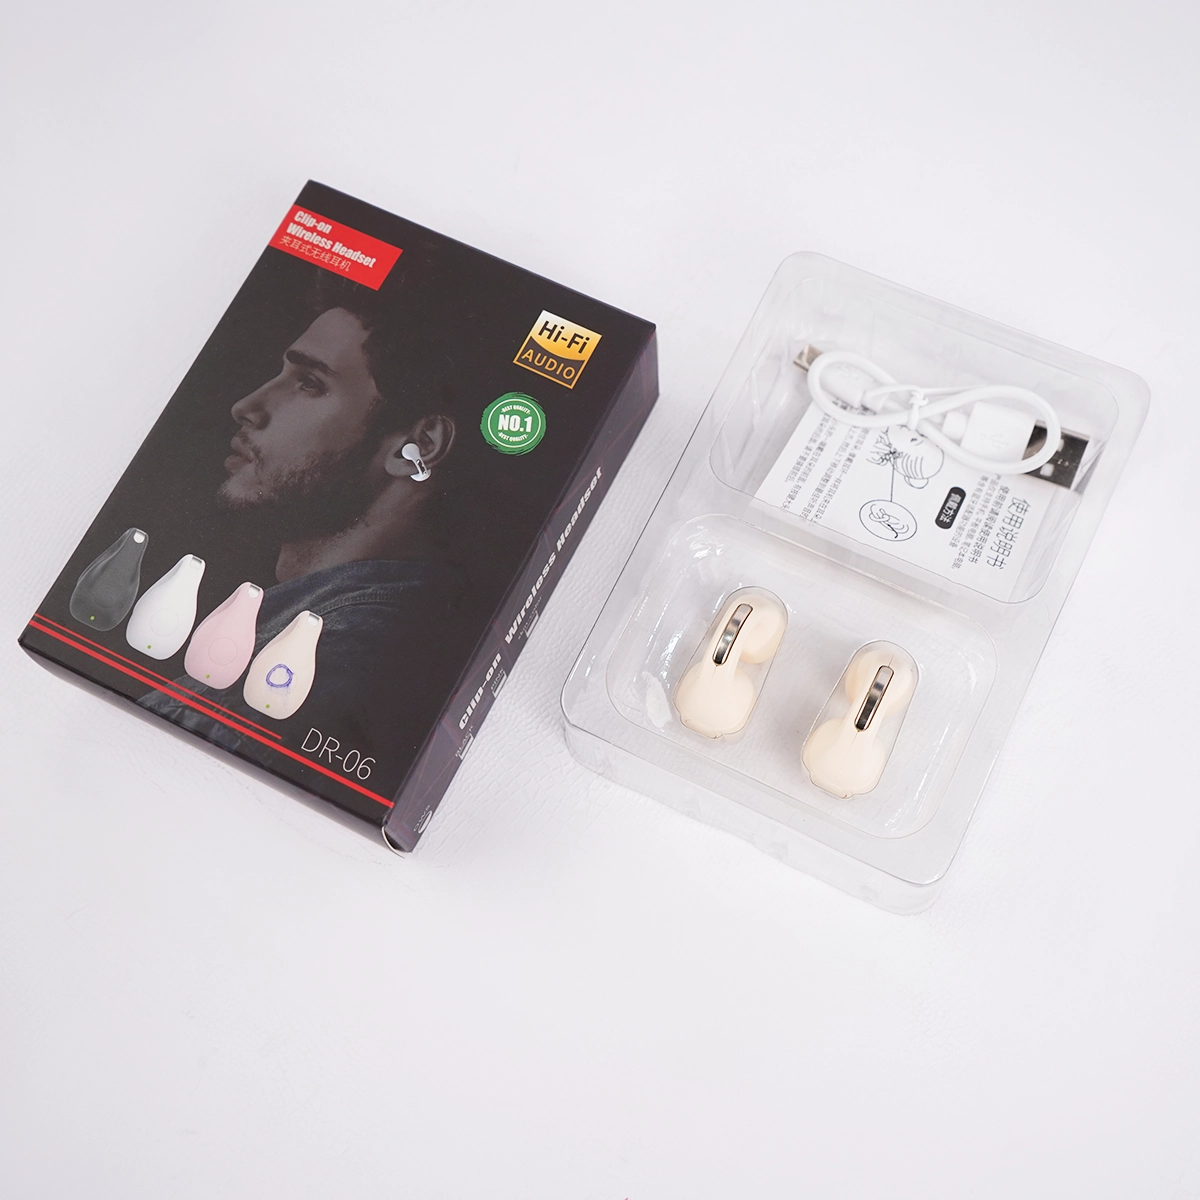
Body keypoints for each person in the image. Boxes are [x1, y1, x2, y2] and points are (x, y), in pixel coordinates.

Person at [141, 279, 479, 782]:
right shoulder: (330, 627)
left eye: (310, 383)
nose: (247, 406)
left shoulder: (339, 654)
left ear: (419, 446)